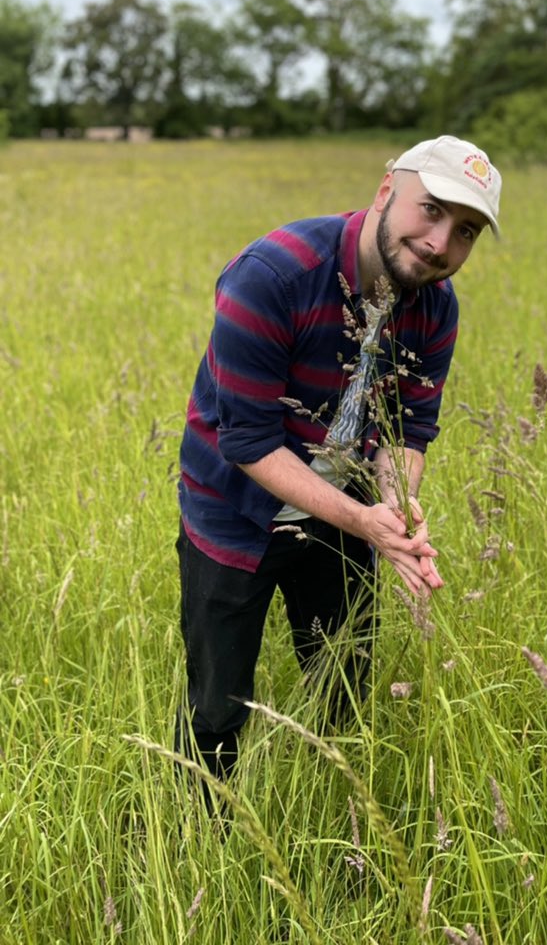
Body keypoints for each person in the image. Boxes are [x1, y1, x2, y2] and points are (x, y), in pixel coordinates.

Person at [175, 134, 502, 784]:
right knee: (218, 708)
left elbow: (407, 432)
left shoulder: (435, 306)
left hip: (343, 519)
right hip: (234, 516)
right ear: (386, 191)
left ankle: (341, 832)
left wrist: (398, 514)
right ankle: (205, 843)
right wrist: (367, 520)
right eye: (431, 211)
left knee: (342, 694)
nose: (441, 243)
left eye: (465, 231)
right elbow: (249, 442)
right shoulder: (273, 276)